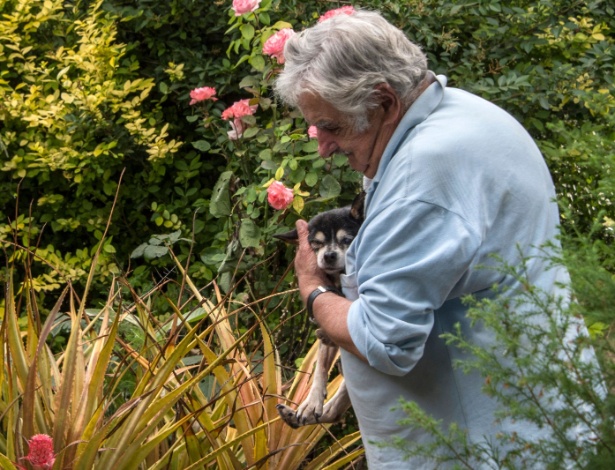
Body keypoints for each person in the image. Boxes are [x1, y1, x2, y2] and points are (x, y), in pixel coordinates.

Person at [274, 9, 589, 468]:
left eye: (333, 127)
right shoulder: (463, 113)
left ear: (384, 101)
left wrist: (313, 289)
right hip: (531, 412)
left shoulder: (424, 175)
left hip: (478, 445)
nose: (322, 145)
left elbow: (386, 341)